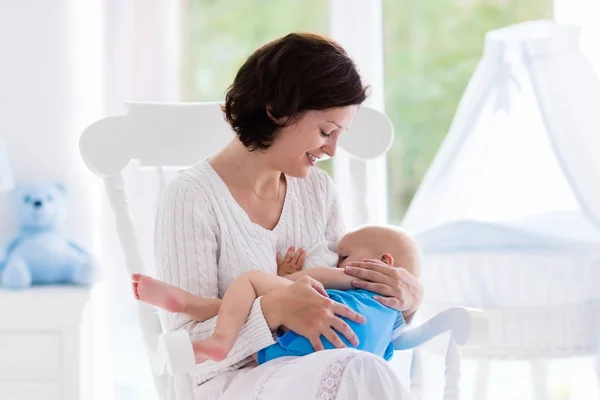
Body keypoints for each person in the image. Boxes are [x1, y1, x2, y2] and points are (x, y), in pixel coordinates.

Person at [154, 32, 423, 399]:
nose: (332, 149)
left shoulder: (318, 192)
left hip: (317, 370)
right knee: (359, 369)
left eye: (340, 134)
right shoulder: (193, 198)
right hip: (231, 384)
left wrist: (404, 301)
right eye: (326, 131)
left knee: (359, 368)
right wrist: (271, 310)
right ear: (277, 111)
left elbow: (342, 313)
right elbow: (185, 351)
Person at [134, 225, 420, 365]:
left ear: (384, 263)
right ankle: (188, 304)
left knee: (251, 283)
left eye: (344, 255)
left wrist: (281, 277)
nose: (337, 263)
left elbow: (304, 282)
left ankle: (218, 338)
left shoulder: (356, 278)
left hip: (304, 343)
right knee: (249, 308)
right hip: (334, 360)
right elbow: (386, 352)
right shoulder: (396, 317)